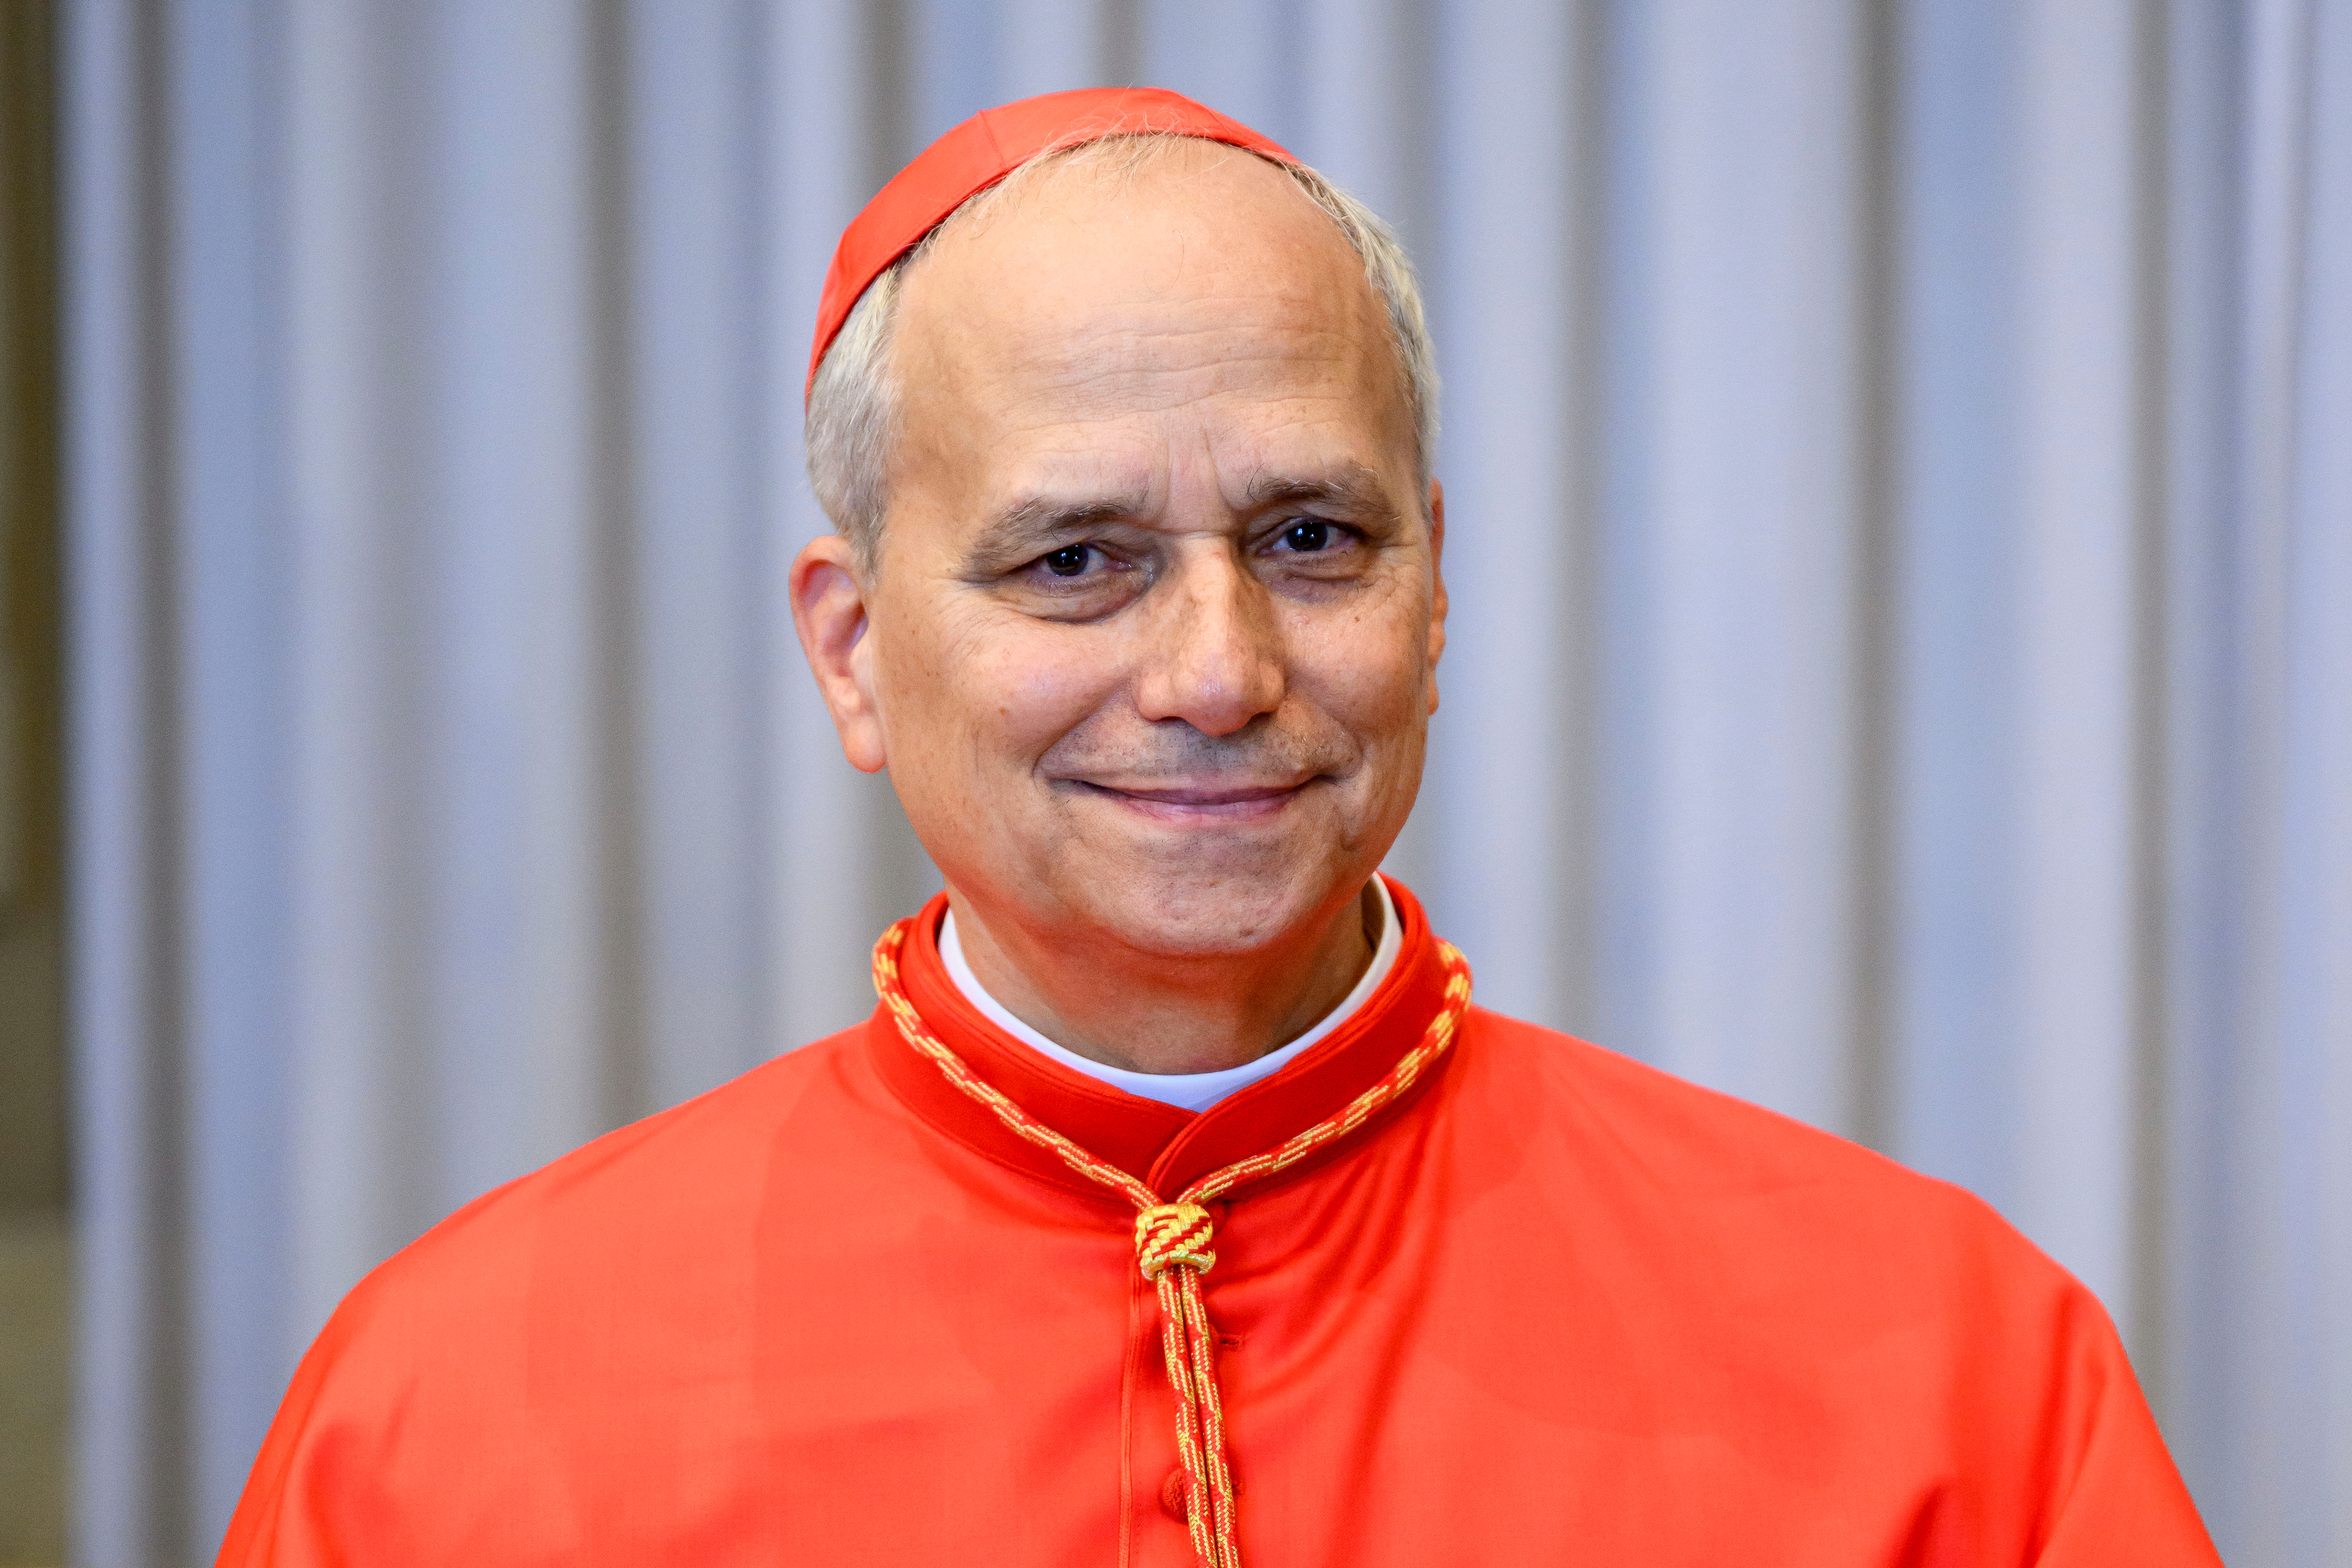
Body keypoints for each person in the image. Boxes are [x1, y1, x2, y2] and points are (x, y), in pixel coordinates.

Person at [219, 87, 2219, 1567]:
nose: (1214, 669)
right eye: (1077, 559)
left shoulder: (1944, 1363)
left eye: (1311, 539)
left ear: (1434, 594)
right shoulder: (461, 1408)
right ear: (851, 650)